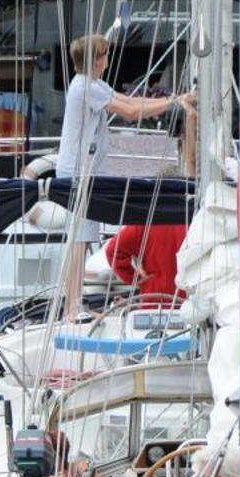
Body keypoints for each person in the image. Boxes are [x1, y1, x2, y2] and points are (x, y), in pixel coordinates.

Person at [54, 33, 195, 320]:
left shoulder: (92, 84)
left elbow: (129, 101)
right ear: (98, 60)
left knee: (82, 238)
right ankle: (72, 309)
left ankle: (74, 304)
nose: (109, 58)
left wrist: (174, 99)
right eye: (106, 54)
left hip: (84, 173)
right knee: (79, 240)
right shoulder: (85, 88)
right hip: (79, 174)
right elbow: (130, 112)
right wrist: (175, 102)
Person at [103, 221, 188, 301]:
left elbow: (112, 251)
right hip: (189, 298)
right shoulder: (196, 220)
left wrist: (134, 278)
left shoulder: (145, 222)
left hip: (154, 296)